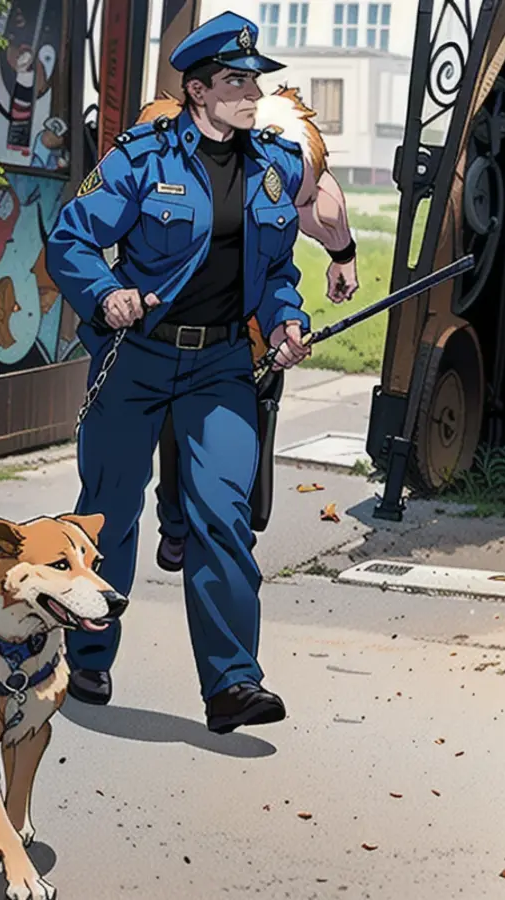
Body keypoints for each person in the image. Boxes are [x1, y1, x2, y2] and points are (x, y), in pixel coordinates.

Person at [46, 11, 317, 734]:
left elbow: (277, 271)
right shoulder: (141, 159)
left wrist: (287, 321)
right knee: (109, 508)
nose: (252, 92)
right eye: (236, 81)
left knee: (223, 512)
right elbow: (71, 239)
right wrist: (109, 295)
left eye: (255, 80)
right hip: (136, 357)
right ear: (197, 91)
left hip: (222, 364)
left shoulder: (273, 166)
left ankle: (232, 683)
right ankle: (88, 653)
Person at [152, 105, 359, 571]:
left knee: (246, 426)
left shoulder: (283, 159)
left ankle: (225, 526)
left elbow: (318, 198)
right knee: (183, 426)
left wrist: (342, 253)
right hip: (186, 335)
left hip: (250, 340)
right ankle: (182, 523)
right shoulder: (175, 155)